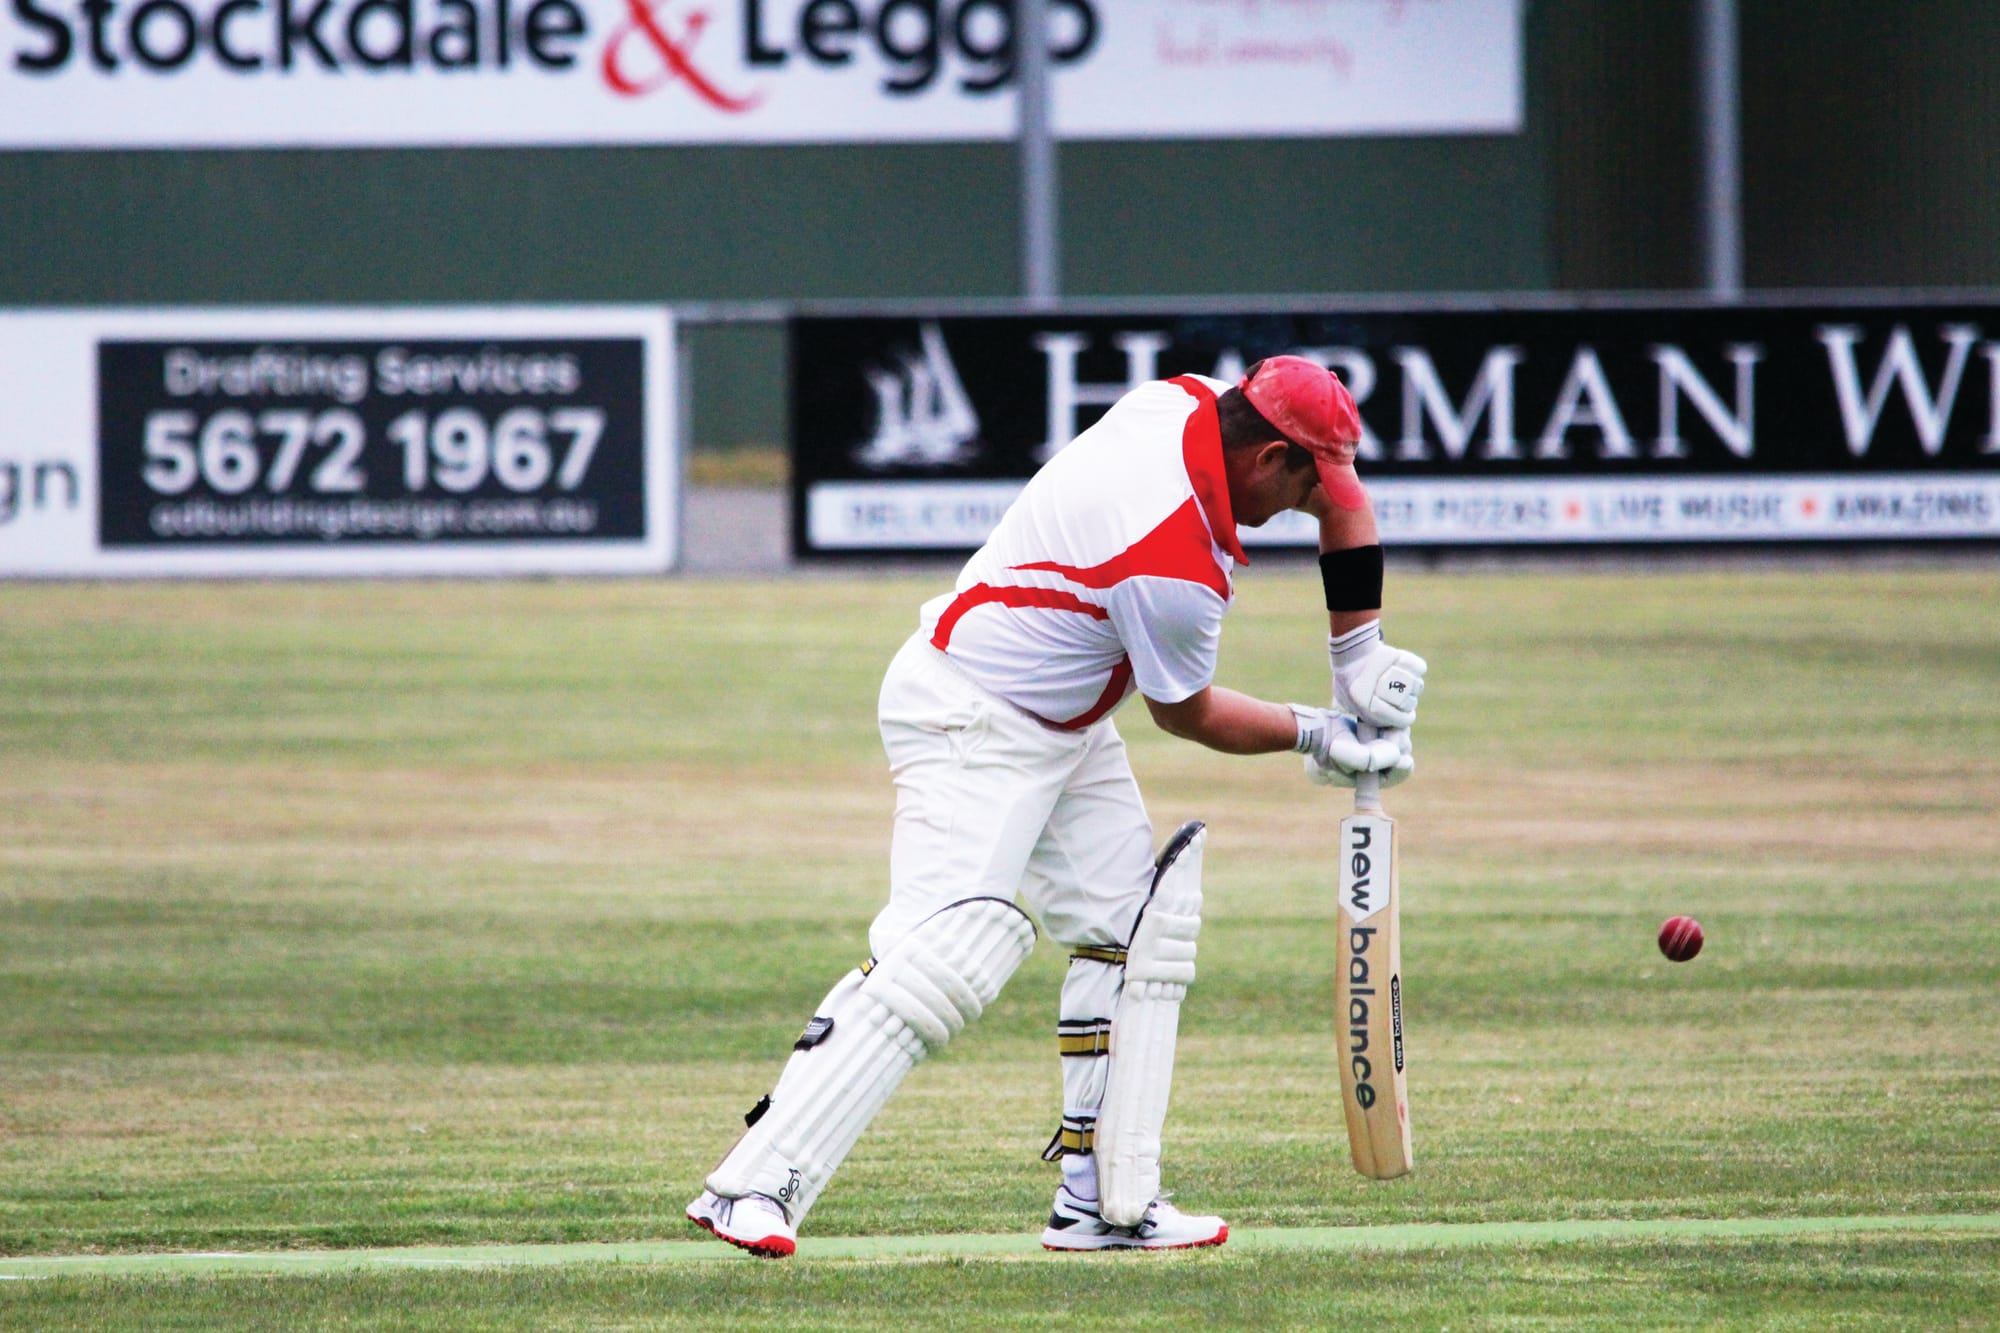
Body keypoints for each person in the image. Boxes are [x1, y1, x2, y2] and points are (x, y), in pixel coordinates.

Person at [687, 356, 1427, 1256]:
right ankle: (750, 1185)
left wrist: (1361, 651)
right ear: (1270, 456)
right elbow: (1185, 713)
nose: (1318, 500)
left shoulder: (1186, 399)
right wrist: (1319, 731)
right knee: (939, 957)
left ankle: (1105, 1203)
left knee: (1132, 935)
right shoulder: (1168, 554)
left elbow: (1344, 502)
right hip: (970, 716)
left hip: (1066, 719)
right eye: (1307, 479)